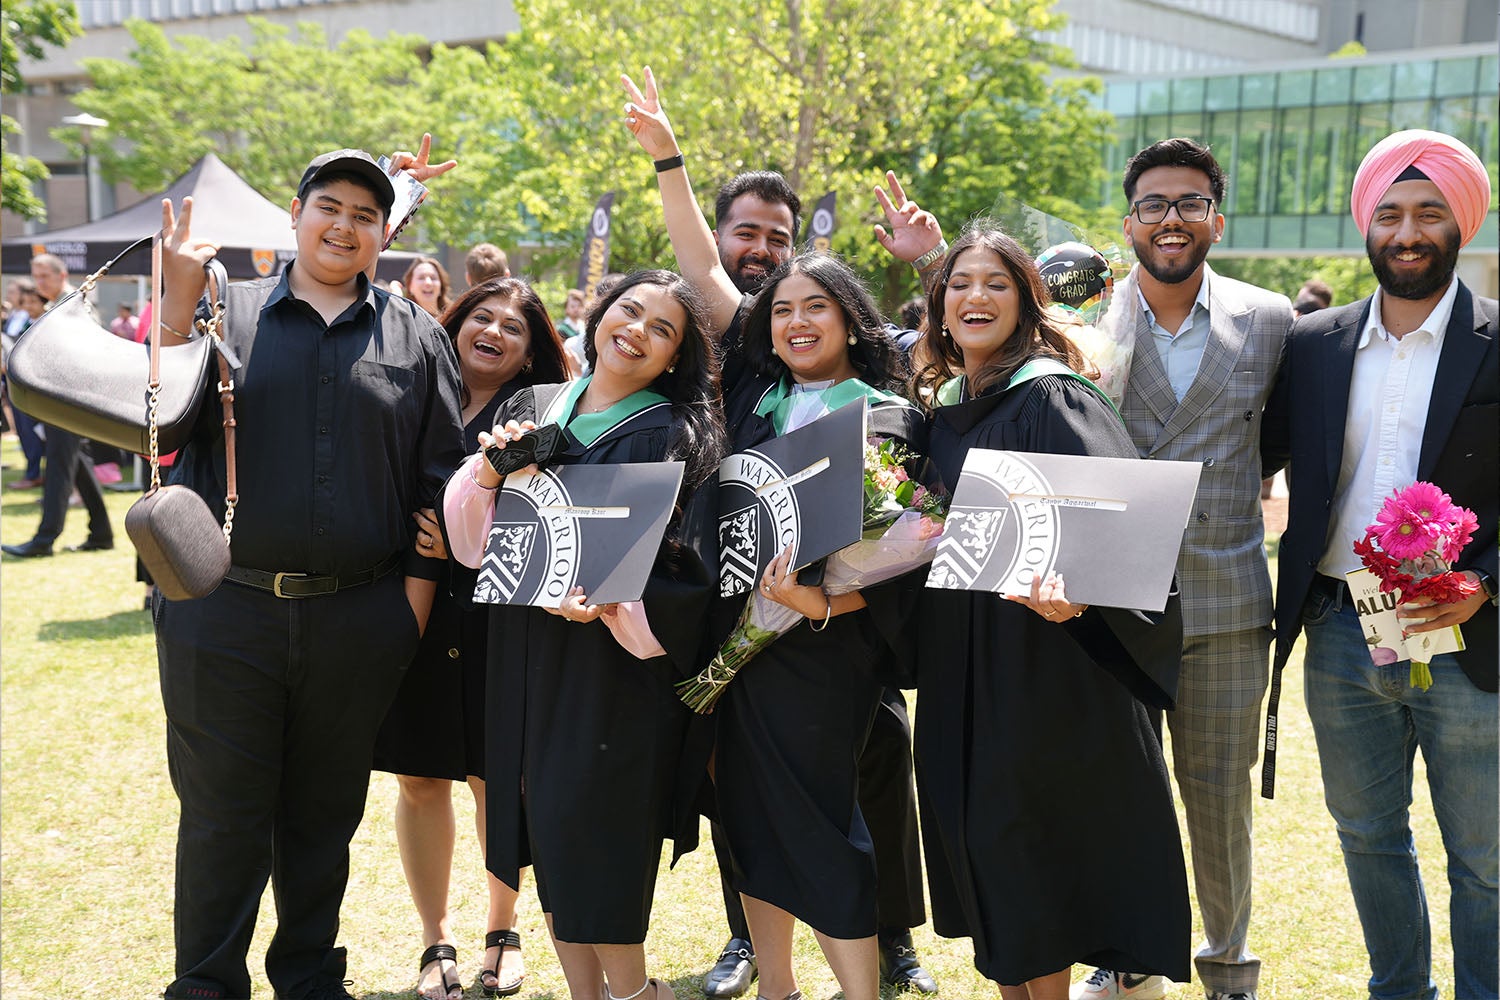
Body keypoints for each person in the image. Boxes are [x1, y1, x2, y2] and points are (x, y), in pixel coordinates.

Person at [622, 65, 942, 995]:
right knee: (750, 821)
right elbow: (699, 269)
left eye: (820, 308)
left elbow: (905, 532)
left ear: (852, 319)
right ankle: (775, 984)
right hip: (738, 638)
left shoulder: (881, 407)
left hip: (827, 643)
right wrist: (668, 161)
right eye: (787, 310)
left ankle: (859, 985)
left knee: (824, 820)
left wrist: (824, 599)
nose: (799, 321)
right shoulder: (755, 392)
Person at [149, 148, 466, 1000]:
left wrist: (411, 609)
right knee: (221, 815)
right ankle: (207, 982)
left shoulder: (416, 334)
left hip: (361, 617)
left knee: (325, 817)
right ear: (295, 215)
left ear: (384, 231)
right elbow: (153, 432)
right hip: (222, 611)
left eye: (366, 214)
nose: (345, 225)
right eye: (330, 206)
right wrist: (177, 300)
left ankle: (310, 977)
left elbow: (442, 483)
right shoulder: (228, 310)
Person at [912, 225, 1190, 1000]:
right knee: (999, 866)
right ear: (938, 307)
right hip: (967, 664)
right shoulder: (946, 407)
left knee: (1032, 860)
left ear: (1028, 304)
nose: (975, 296)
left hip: (1046, 670)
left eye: (997, 284)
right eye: (959, 283)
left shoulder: (1051, 394)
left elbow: (1128, 534)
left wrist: (1082, 599)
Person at [445, 269, 727, 1000]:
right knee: (546, 829)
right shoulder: (534, 405)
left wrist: (606, 602)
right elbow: (474, 542)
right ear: (601, 313)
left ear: (674, 358)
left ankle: (632, 993)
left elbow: (687, 570)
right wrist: (488, 470)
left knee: (599, 838)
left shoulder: (672, 431)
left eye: (662, 329)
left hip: (611, 670)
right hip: (525, 650)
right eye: (629, 311)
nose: (636, 330)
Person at [1262, 129, 1497, 1000]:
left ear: (1460, 223)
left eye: (1429, 212)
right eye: (1390, 213)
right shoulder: (1313, 344)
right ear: (1367, 223)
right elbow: (1251, 454)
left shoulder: (1498, 340)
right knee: (1366, 833)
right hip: (1337, 626)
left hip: (1469, 629)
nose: (1408, 230)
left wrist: (1487, 582)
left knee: (1486, 856)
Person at [1074, 138, 1293, 1000]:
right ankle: (1127, 956)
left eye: (1191, 203)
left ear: (1217, 218)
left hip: (1226, 597)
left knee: (1218, 800)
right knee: (1118, 795)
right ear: (1127, 223)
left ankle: (1228, 966)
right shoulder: (1082, 322)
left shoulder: (1271, 318)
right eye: (1155, 205)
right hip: (1109, 600)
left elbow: (1280, 437)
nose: (1172, 218)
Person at [372, 276, 569, 1000]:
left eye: (512, 328)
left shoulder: (541, 417)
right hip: (414, 614)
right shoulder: (412, 400)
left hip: (501, 615)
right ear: (451, 327)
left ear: (528, 355)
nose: (493, 332)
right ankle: (435, 941)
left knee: (499, 780)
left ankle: (501, 931)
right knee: (419, 779)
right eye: (480, 317)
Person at [2, 257, 115, 558]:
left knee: (57, 468)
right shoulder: (61, 304)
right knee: (76, 464)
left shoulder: (73, 304)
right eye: (35, 277)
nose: (39, 282)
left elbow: (88, 351)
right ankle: (101, 534)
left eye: (44, 276)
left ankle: (44, 539)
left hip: (69, 399)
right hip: (65, 398)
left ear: (61, 275)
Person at [3, 279, 47, 490]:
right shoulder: (21, 319)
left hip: (33, 387)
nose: (28, 306)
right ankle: (33, 473)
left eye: (33, 302)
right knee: (25, 432)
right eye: (25, 301)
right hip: (16, 383)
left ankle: (35, 474)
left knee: (34, 433)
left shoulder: (45, 324)